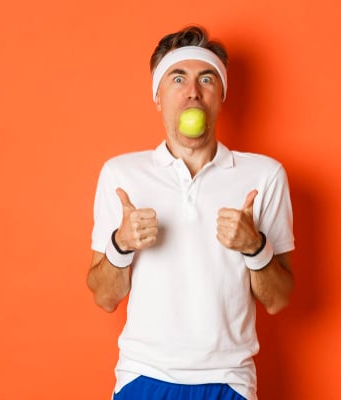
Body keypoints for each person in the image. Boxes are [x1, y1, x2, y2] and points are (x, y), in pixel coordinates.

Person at [87, 25, 295, 400]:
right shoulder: (120, 175)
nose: (193, 92)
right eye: (177, 78)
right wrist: (121, 244)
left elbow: (278, 300)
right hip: (142, 375)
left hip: (229, 380)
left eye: (207, 79)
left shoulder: (264, 176)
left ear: (221, 95)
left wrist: (255, 247)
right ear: (158, 96)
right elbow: (104, 298)